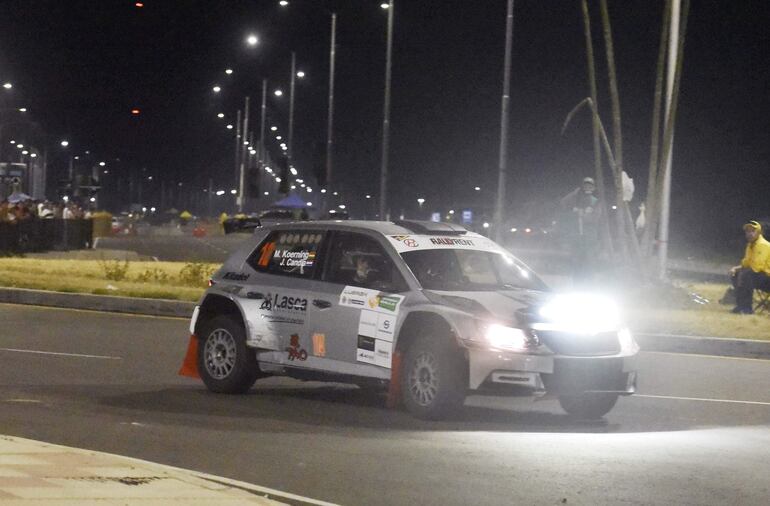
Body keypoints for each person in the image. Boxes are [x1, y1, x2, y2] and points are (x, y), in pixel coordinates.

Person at [559, 176, 601, 282]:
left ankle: (589, 287)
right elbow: (563, 203)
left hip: (590, 240)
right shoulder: (576, 198)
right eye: (586, 185)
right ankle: (576, 286)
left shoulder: (595, 201)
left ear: (594, 188)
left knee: (589, 265)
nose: (588, 187)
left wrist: (583, 215)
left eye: (590, 185)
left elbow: (596, 218)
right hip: (577, 239)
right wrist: (574, 193)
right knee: (576, 264)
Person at [729, 220, 770, 314]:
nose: (749, 234)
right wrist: (735, 269)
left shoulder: (763, 245)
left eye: (752, 231)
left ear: (758, 233)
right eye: (747, 231)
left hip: (767, 278)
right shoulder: (750, 245)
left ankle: (747, 308)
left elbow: (756, 267)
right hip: (760, 277)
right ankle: (741, 305)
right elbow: (746, 263)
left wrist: (742, 273)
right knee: (735, 274)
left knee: (747, 275)